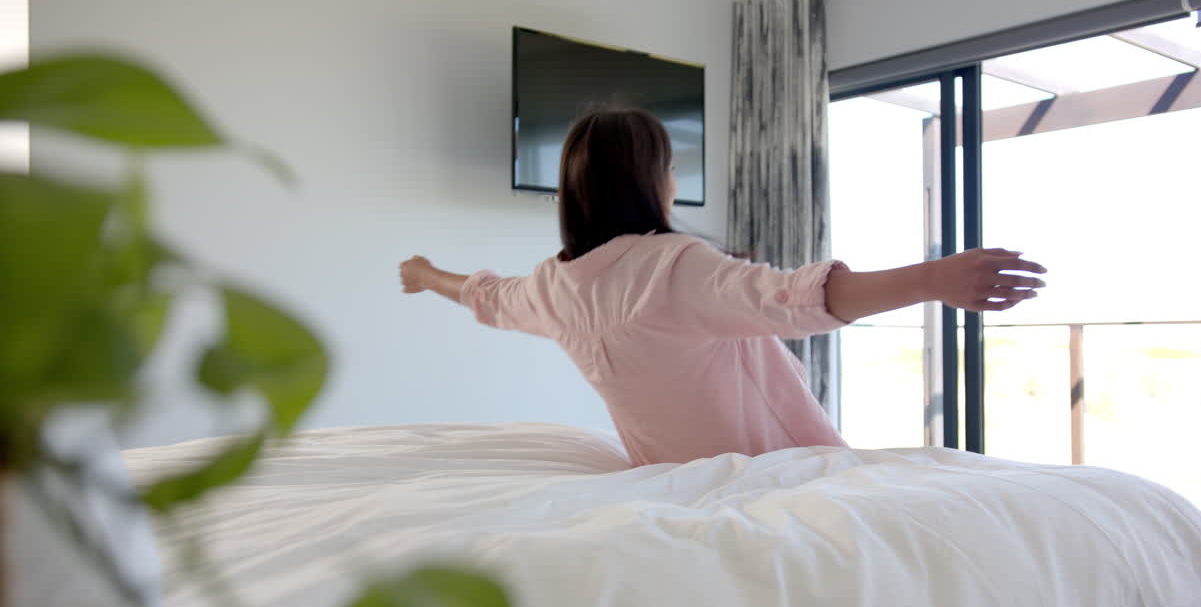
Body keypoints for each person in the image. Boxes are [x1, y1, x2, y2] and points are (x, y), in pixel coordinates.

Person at [400, 109, 1046, 466]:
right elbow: (799, 300)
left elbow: (485, 295)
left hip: (671, 484)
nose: (674, 181)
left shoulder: (553, 285)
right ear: (650, 180)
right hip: (779, 479)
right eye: (671, 168)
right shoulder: (675, 265)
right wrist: (934, 278)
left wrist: (425, 275)